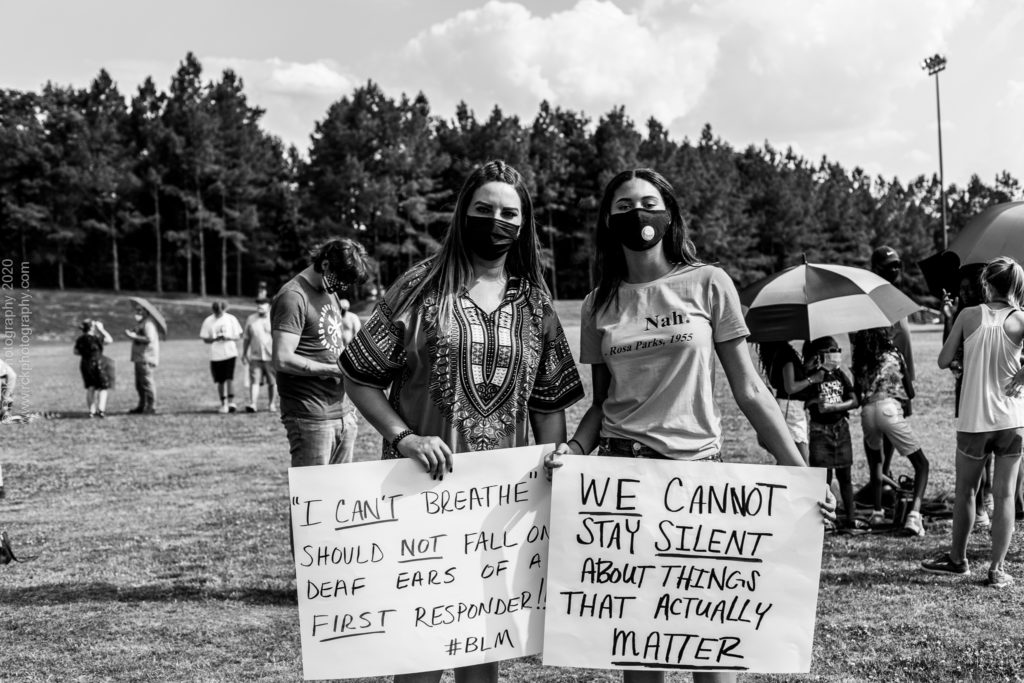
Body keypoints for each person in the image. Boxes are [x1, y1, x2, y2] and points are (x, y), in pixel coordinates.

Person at [549, 168, 834, 683]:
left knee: (710, 650)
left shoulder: (709, 282)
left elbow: (750, 390)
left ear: (670, 213)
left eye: (648, 202)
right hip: (622, 482)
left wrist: (800, 473)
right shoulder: (598, 303)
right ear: (608, 222)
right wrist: (573, 447)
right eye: (623, 206)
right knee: (641, 652)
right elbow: (602, 403)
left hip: (699, 479)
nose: (637, 214)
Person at [342, 160, 584, 683]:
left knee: (481, 647)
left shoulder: (536, 301)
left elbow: (548, 404)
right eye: (483, 209)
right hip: (419, 494)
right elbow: (358, 374)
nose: (495, 221)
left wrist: (555, 469)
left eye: (508, 213)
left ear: (523, 224)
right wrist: (402, 437)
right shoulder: (418, 286)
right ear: (462, 214)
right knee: (419, 650)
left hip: (501, 505)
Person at [923, 256, 1024, 587]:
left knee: (966, 490)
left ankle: (958, 559)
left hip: (974, 419)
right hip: (1012, 420)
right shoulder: (1021, 318)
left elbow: (942, 360)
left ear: (987, 284)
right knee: (1006, 495)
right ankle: (996, 569)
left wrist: (955, 326)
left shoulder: (967, 315)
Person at [272, 238, 371, 467]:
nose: (343, 287)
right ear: (325, 264)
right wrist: (334, 370)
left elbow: (331, 342)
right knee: (313, 499)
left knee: (339, 497)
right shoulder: (293, 297)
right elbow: (282, 358)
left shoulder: (330, 292)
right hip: (310, 414)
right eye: (342, 279)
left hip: (342, 412)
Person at [852, 326, 929, 535]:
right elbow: (910, 393)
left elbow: (858, 393)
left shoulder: (860, 358)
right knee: (922, 464)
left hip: (867, 411)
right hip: (889, 408)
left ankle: (877, 513)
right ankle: (914, 516)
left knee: (876, 465)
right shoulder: (894, 354)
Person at [852, 246, 915, 487]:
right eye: (890, 266)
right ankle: (877, 480)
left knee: (893, 422)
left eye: (898, 265)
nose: (896, 269)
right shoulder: (869, 294)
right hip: (880, 376)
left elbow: (903, 339)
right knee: (879, 427)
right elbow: (860, 338)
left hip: (900, 372)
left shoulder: (895, 293)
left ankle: (885, 475)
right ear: (876, 268)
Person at [803, 336, 863, 530]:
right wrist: (817, 403)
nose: (836, 353)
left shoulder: (840, 374)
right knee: (823, 479)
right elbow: (807, 400)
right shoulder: (812, 376)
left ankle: (851, 518)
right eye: (832, 350)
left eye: (837, 350)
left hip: (840, 428)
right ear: (820, 354)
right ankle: (825, 520)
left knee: (845, 475)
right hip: (820, 431)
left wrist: (834, 406)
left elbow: (854, 400)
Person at [757, 341, 812, 464]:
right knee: (801, 459)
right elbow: (790, 387)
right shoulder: (786, 355)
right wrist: (812, 379)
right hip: (791, 407)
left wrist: (806, 367)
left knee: (789, 455)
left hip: (786, 405)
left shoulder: (776, 353)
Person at [199, 300, 243, 413]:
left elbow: (238, 335)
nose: (218, 314)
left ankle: (231, 402)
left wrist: (229, 338)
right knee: (220, 380)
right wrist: (215, 339)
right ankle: (223, 403)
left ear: (224, 309)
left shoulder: (231, 319)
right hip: (216, 355)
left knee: (229, 378)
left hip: (230, 352)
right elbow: (204, 338)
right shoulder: (209, 321)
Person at [241, 297, 277, 412]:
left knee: (273, 382)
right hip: (256, 356)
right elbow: (247, 337)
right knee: (254, 381)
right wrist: (244, 352)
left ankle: (271, 404)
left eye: (262, 304)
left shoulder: (274, 318)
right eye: (258, 305)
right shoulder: (251, 319)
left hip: (271, 357)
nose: (259, 307)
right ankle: (253, 404)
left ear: (269, 306)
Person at [74, 319, 115, 418]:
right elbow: (109, 340)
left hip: (85, 364)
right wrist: (101, 329)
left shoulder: (80, 339)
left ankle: (91, 411)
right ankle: (101, 410)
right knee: (103, 387)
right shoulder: (96, 338)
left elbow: (76, 352)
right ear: (92, 327)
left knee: (90, 387)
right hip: (98, 363)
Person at [125, 304, 160, 414]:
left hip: (146, 357)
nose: (137, 312)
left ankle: (151, 407)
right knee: (139, 384)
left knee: (146, 383)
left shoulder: (148, 323)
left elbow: (149, 338)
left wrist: (133, 336)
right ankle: (142, 406)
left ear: (146, 311)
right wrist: (134, 332)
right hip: (139, 357)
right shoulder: (142, 323)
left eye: (140, 310)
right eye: (136, 310)